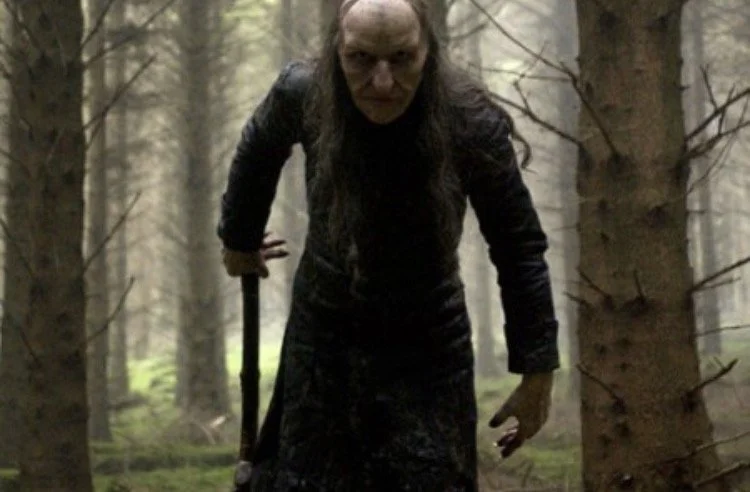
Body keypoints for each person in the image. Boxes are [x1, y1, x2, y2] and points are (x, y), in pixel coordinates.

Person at [218, 0, 560, 489]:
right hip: (324, 335)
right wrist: (239, 238)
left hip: (429, 344)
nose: (382, 82)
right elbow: (258, 147)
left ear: (427, 53)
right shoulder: (305, 92)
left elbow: (518, 244)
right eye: (361, 59)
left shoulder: (467, 118)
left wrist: (537, 372)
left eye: (401, 59)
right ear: (338, 52)